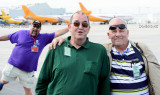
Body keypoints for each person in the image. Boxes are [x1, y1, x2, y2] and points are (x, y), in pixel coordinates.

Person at [49, 18, 160, 95]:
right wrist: (64, 41)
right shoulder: (103, 51)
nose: (118, 34)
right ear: (108, 35)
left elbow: (157, 76)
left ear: (127, 32)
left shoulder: (141, 49)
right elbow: (81, 45)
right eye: (114, 31)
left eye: (121, 30)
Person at [35, 12, 110, 95]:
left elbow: (104, 85)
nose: (80, 27)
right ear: (69, 27)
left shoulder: (99, 51)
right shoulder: (56, 48)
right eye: (76, 23)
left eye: (84, 24)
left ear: (88, 28)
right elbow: (42, 82)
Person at [0, 20, 68, 95]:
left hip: (28, 71)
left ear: (40, 29)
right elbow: (8, 37)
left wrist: (69, 27)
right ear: (31, 26)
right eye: (34, 26)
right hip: (13, 66)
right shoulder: (21, 33)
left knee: (27, 89)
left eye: (38, 27)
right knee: (3, 81)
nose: (35, 28)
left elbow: (57, 33)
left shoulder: (44, 37)